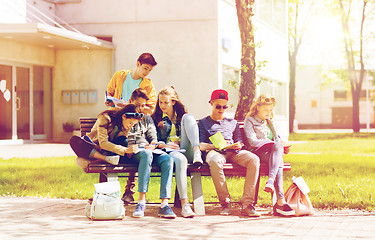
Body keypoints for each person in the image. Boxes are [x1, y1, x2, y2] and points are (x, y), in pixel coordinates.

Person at [198, 89, 261, 217]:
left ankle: (247, 204)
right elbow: (199, 145)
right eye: (218, 106)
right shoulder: (203, 123)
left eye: (224, 106)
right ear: (211, 103)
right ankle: (225, 202)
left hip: (234, 152)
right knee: (215, 161)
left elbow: (240, 141)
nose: (221, 109)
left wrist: (237, 144)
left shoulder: (232, 123)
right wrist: (215, 145)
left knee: (254, 159)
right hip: (215, 152)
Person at [151, 86, 204, 218]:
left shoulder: (181, 117)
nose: (162, 105)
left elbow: (189, 135)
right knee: (181, 160)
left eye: (166, 102)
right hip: (169, 152)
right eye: (160, 102)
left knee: (189, 116)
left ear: (173, 102)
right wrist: (165, 144)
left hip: (187, 148)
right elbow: (153, 141)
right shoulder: (156, 118)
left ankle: (197, 152)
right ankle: (185, 204)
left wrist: (180, 142)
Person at [244, 94, 295, 217]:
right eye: (266, 110)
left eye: (271, 110)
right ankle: (280, 201)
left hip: (272, 154)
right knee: (279, 161)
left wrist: (282, 146)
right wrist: (272, 144)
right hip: (257, 152)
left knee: (278, 152)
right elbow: (252, 141)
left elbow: (278, 139)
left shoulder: (270, 122)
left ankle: (272, 184)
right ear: (257, 108)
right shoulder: (249, 121)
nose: (269, 112)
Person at [69, 104, 142, 165]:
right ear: (124, 116)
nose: (131, 126)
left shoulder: (126, 126)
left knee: (124, 140)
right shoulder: (105, 117)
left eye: (134, 124)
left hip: (110, 150)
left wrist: (129, 149)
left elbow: (121, 141)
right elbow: (103, 143)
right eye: (130, 123)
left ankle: (96, 160)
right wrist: (125, 150)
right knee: (74, 140)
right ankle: (104, 159)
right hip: (94, 147)